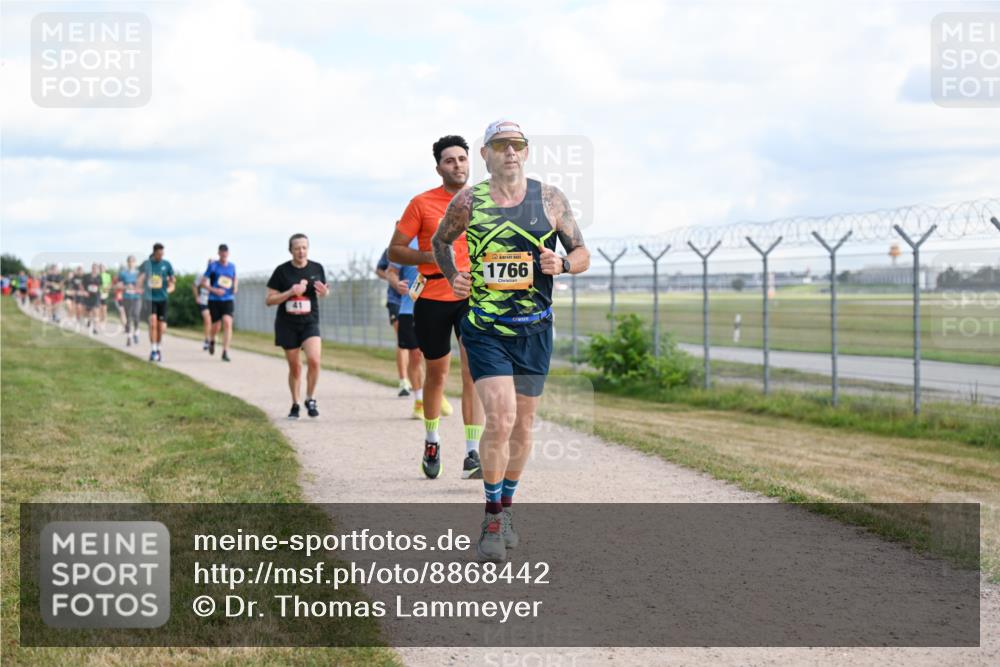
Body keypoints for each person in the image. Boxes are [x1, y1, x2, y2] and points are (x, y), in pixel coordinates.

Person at [432, 120, 590, 561]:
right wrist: (453, 276)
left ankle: (508, 505)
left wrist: (562, 263)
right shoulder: (469, 201)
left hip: (535, 330)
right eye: (500, 145)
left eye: (517, 144)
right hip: (485, 329)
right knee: (500, 419)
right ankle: (492, 518)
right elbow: (440, 241)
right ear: (485, 153)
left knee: (522, 425)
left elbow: (582, 254)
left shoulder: (550, 199)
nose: (510, 152)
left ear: (526, 150)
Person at [388, 135, 483, 480]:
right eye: (449, 160)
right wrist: (431, 255)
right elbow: (396, 251)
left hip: (473, 297)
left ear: (470, 161)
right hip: (432, 297)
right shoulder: (421, 203)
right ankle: (432, 440)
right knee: (437, 374)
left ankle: (473, 452)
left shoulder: (485, 201)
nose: (457, 165)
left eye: (462, 158)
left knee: (474, 372)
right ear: (438, 167)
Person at [266, 233, 329, 419]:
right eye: (297, 248)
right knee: (295, 368)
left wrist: (325, 293)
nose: (301, 251)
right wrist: (290, 292)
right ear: (290, 250)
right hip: (288, 324)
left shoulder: (317, 268)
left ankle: (311, 398)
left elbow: (322, 291)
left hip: (310, 322)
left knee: (315, 360)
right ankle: (295, 403)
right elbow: (269, 300)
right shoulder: (282, 271)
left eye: (304, 247)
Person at [386, 239, 431, 423]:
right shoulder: (406, 245)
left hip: (436, 308)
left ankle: (435, 394)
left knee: (436, 358)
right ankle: (420, 401)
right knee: (415, 355)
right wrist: (397, 284)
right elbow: (390, 272)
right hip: (409, 309)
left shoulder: (442, 238)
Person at [375, 246, 411, 397]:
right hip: (396, 300)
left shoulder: (421, 245)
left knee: (418, 344)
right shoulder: (391, 250)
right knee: (403, 339)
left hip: (415, 300)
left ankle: (416, 379)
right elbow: (379, 270)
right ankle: (403, 381)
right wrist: (393, 278)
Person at [137, 243, 176, 362]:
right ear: (154, 253)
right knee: (153, 323)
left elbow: (173, 281)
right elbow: (140, 278)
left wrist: (169, 288)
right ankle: (153, 350)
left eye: (162, 254)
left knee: (161, 327)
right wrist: (139, 288)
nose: (161, 256)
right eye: (159, 254)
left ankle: (158, 348)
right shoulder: (147, 264)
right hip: (150, 299)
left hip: (162, 299)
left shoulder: (167, 265)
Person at [204, 244, 237, 362]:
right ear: (219, 253)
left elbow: (234, 278)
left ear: (228, 253)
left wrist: (235, 287)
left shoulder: (232, 266)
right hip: (214, 299)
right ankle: (212, 339)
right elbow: (203, 283)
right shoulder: (213, 266)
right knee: (216, 325)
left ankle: (225, 351)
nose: (224, 254)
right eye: (222, 252)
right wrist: (214, 290)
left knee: (228, 322)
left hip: (228, 298)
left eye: (226, 252)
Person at [117, 256, 142, 346]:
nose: (131, 263)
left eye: (133, 262)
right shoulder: (123, 274)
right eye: (129, 262)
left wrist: (136, 288)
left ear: (135, 263)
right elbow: (119, 285)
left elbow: (143, 286)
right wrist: (126, 287)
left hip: (137, 297)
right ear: (127, 263)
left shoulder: (139, 274)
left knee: (136, 314)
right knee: (128, 318)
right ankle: (129, 337)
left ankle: (136, 332)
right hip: (127, 297)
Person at [193, 258, 213, 351]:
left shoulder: (218, 276)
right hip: (204, 299)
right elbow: (194, 285)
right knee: (207, 319)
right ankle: (207, 340)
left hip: (215, 300)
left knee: (214, 322)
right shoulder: (202, 275)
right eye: (210, 264)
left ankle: (211, 338)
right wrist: (197, 297)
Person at [82, 263, 103, 335]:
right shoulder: (86, 276)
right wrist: (84, 292)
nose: (94, 269)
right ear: (91, 268)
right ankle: (88, 320)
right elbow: (82, 285)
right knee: (87, 312)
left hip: (96, 296)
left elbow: (100, 286)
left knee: (96, 311)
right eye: (93, 268)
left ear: (97, 269)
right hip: (88, 296)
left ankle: (95, 328)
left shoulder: (99, 277)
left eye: (96, 268)